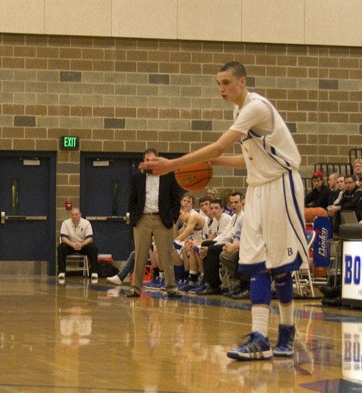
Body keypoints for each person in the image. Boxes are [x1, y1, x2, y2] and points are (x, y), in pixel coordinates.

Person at [141, 62, 308, 360]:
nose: (221, 88)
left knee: (279, 267)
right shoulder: (239, 113)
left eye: (227, 82)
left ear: (242, 82)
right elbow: (244, 159)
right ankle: (259, 337)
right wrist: (212, 164)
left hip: (281, 183)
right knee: (255, 261)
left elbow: (218, 146)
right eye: (218, 83)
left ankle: (286, 330)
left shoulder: (255, 108)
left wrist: (172, 165)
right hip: (257, 187)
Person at [126, 148, 183, 299]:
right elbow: (132, 200)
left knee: (166, 254)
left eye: (152, 160)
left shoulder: (168, 176)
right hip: (142, 218)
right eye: (147, 160)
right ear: (144, 161)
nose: (149, 163)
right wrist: (134, 218)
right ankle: (135, 288)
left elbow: (176, 199)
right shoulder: (137, 177)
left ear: (157, 160)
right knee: (140, 255)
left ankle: (171, 287)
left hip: (162, 219)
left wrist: (173, 218)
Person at [196, 192, 245, 295]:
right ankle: (208, 281)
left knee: (212, 250)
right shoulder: (234, 217)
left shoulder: (239, 217)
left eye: (236, 202)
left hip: (238, 245)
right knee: (206, 245)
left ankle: (215, 285)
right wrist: (211, 244)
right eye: (231, 202)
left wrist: (212, 247)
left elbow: (230, 237)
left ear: (242, 203)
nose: (233, 205)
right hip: (231, 242)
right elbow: (226, 234)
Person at [57, 207, 99, 282]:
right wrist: (72, 244)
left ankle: (94, 272)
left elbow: (90, 238)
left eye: (76, 214)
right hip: (70, 245)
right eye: (73, 215)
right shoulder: (65, 223)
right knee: (61, 247)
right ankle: (61, 272)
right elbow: (63, 238)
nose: (74, 216)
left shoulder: (86, 223)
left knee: (93, 248)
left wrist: (81, 244)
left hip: (83, 245)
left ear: (80, 215)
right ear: (71, 215)